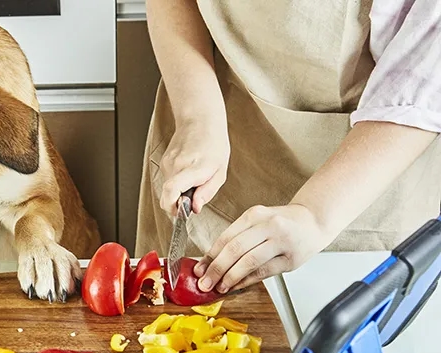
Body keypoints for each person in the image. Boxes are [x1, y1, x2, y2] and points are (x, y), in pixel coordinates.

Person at [136, 0, 441, 295]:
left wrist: (314, 215)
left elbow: (424, 77)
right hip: (216, 118)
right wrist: (197, 117)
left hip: (369, 178)